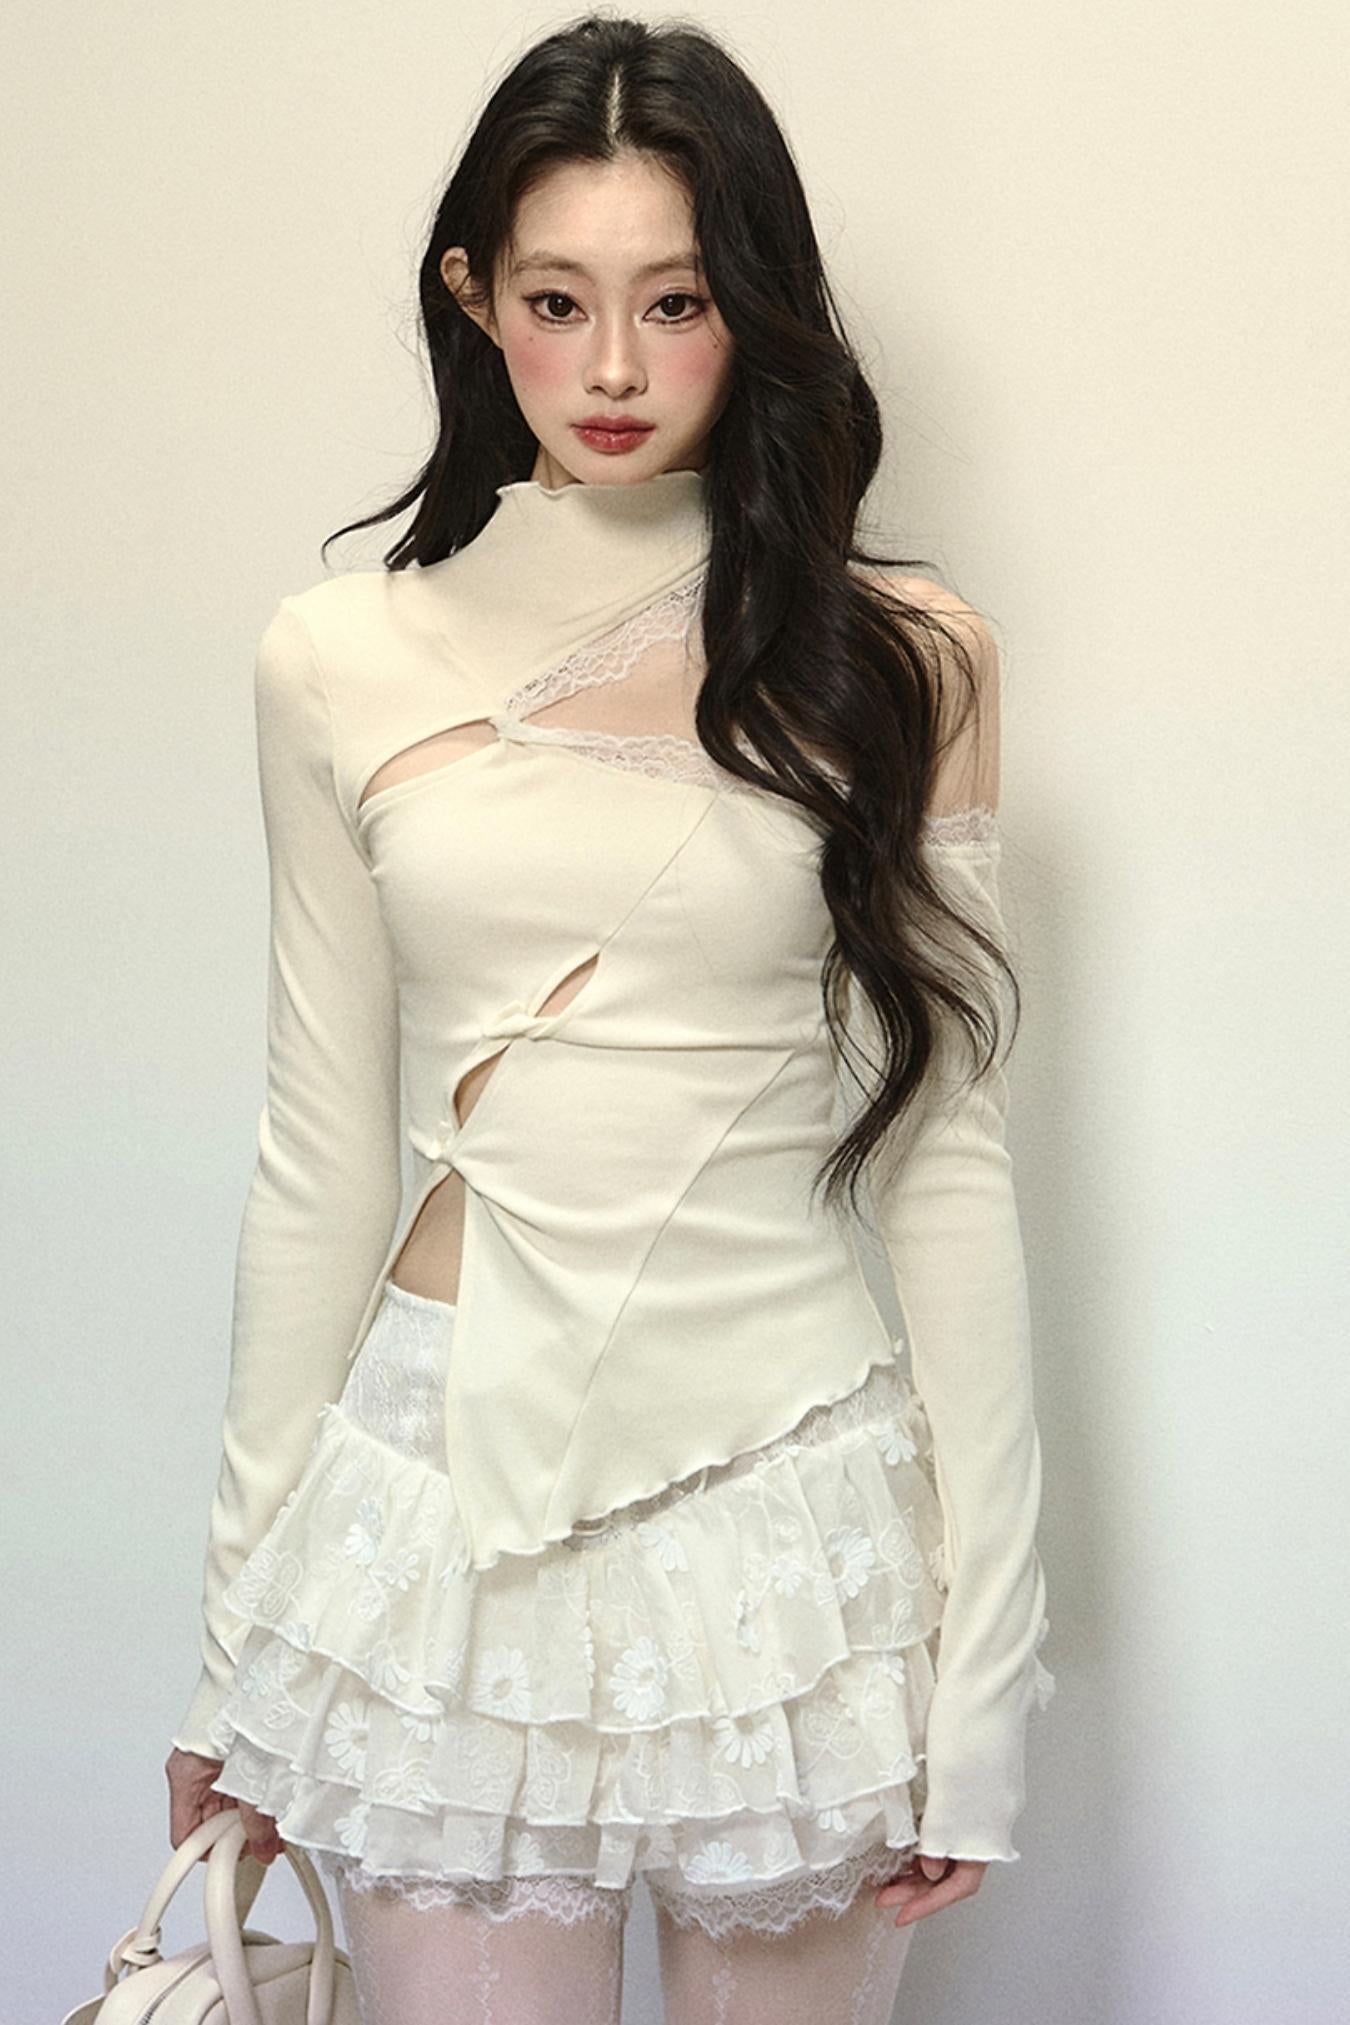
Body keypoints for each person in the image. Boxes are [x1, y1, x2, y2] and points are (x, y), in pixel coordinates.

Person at [164, 15, 1054, 2021]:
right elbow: (317, 1155)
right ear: (475, 301)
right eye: (559, 302)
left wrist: (983, 1675)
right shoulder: (336, 655)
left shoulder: (906, 656)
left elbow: (947, 1153)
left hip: (791, 1508)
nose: (618, 370)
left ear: (757, 308)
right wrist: (235, 1657)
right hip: (434, 1510)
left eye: (679, 300)